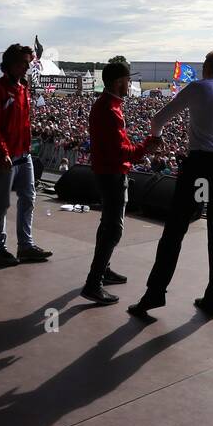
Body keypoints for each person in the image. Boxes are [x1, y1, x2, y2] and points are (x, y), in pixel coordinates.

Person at [131, 50, 213, 320]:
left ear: (206, 68)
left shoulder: (198, 88)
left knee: (176, 228)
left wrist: (156, 137)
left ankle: (155, 293)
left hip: (201, 166)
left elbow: (158, 118)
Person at [81, 62, 158, 305]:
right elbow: (122, 151)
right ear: (117, 82)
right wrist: (148, 145)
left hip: (107, 171)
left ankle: (104, 270)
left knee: (107, 225)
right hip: (112, 173)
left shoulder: (108, 104)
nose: (130, 84)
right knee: (113, 228)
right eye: (127, 79)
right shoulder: (110, 109)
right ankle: (93, 283)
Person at [0, 43, 52, 267]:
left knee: (29, 198)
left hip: (24, 155)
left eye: (28, 63)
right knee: (2, 203)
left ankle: (25, 246)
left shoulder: (23, 88)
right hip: (5, 156)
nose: (26, 67)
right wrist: (3, 153)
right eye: (23, 63)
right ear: (11, 63)